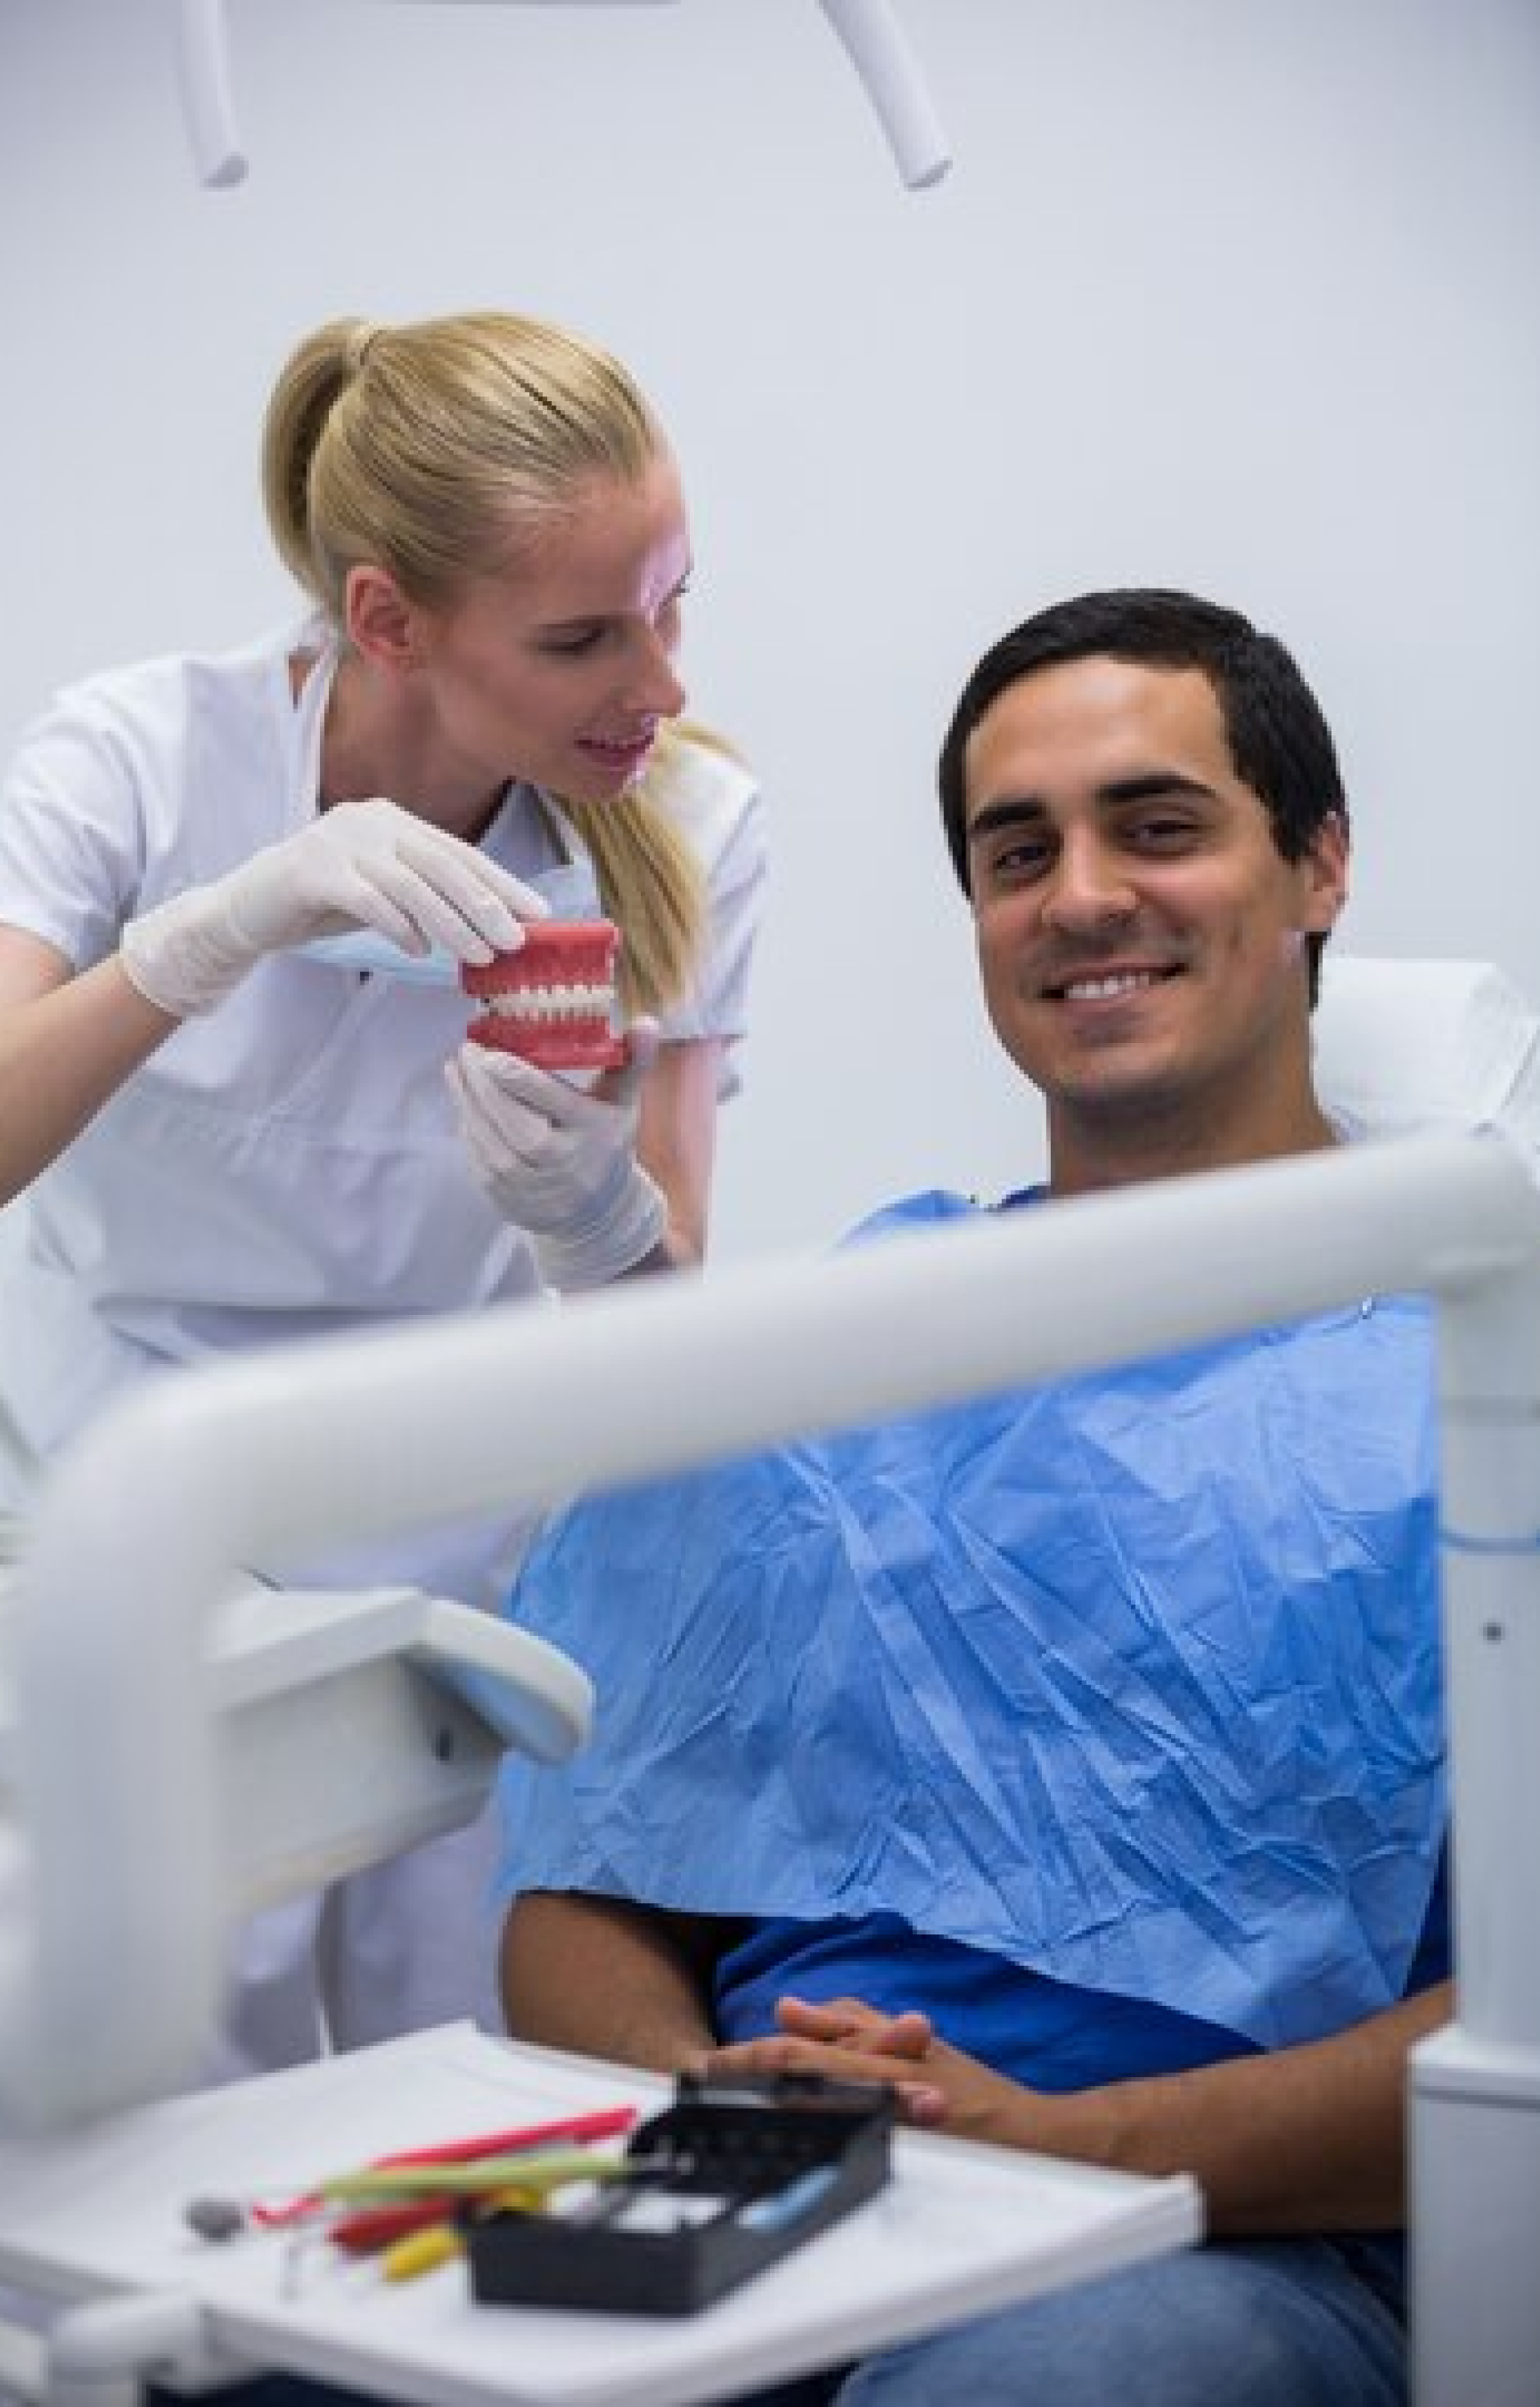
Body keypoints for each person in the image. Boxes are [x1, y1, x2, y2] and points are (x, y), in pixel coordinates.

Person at [492, 589, 1449, 2406]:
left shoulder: (1481, 1371)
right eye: (1020, 853)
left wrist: (1046, 2143)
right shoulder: (867, 1336)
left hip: (1210, 2242)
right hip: (764, 2193)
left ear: (1320, 864)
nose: (1082, 894)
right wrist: (711, 2097)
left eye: (1157, 826)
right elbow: (586, 1883)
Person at [0, 307, 765, 2073]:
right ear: (386, 620)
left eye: (670, 604)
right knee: (161, 2088)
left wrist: (601, 1220)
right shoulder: (136, 759)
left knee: (472, 2087)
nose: (656, 687)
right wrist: (206, 937)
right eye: (582, 637)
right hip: (140, 1505)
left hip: (467, 1535)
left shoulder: (696, 827)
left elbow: (668, 1329)